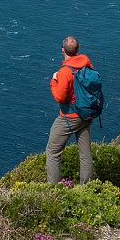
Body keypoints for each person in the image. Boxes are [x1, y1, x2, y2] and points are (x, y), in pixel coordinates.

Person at [45, 36, 94, 184]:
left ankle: (53, 191)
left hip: (70, 116)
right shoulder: (87, 64)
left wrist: (54, 80)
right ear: (78, 50)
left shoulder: (65, 72)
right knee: (85, 154)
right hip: (87, 113)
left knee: (52, 151)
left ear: (62, 51)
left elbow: (60, 97)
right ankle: (86, 187)